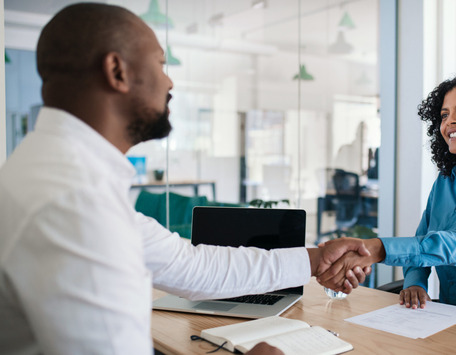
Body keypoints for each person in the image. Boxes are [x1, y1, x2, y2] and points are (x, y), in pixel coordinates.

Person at [0, 4, 370, 354]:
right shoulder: (75, 204)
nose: (169, 80)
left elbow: (192, 267)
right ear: (117, 71)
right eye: (160, 63)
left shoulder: (46, 173)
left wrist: (317, 258)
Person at [318, 70, 456, 327]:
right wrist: (415, 281)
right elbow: (424, 237)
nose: (450, 122)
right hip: (452, 317)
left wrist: (374, 249)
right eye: (444, 114)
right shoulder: (447, 180)